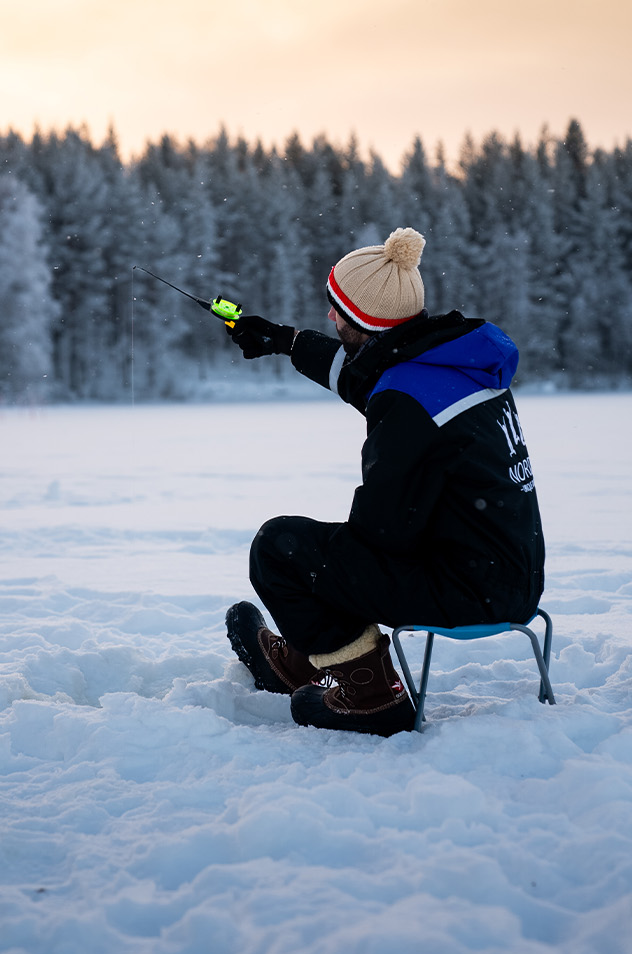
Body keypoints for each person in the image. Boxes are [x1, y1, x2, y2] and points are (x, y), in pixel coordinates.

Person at [224, 227, 545, 738]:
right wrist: (283, 341)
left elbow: (383, 532)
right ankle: (313, 658)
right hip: (507, 574)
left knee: (281, 548)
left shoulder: (407, 400)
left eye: (337, 310)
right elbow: (361, 377)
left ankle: (370, 694)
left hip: (466, 588)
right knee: (329, 550)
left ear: (363, 321)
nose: (329, 316)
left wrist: (324, 576)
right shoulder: (445, 363)